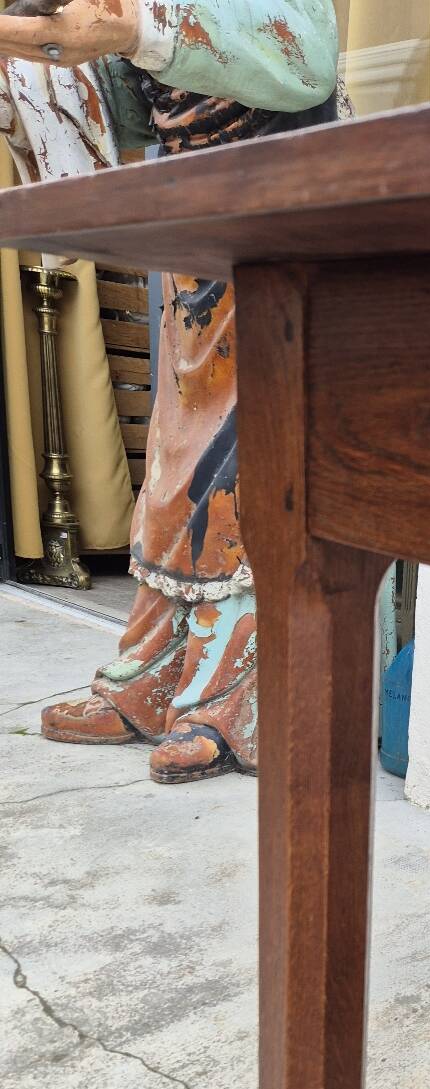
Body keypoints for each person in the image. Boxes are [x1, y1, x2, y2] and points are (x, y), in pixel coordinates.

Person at [0, 0, 339, 781]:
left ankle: (232, 699)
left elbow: (306, 62)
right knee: (171, 471)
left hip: (284, 229)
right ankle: (149, 677)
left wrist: (132, 28)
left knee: (244, 472)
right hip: (197, 236)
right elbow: (128, 117)